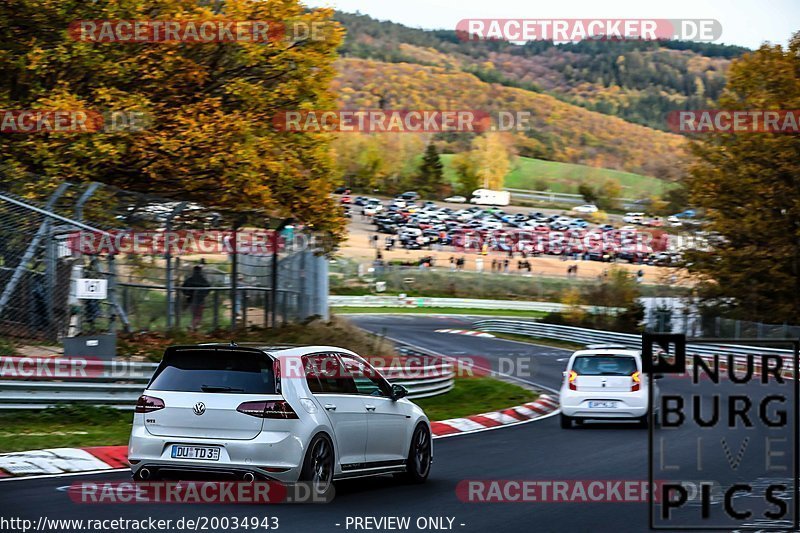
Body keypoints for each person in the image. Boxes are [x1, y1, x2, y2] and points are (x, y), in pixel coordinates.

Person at [182, 265, 210, 331]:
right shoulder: (203, 280)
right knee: (198, 315)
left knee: (195, 314)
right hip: (200, 300)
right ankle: (192, 326)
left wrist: (188, 294)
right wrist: (204, 295)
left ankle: (194, 327)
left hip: (191, 300)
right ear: (200, 271)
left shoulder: (190, 279)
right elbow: (208, 288)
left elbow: (183, 288)